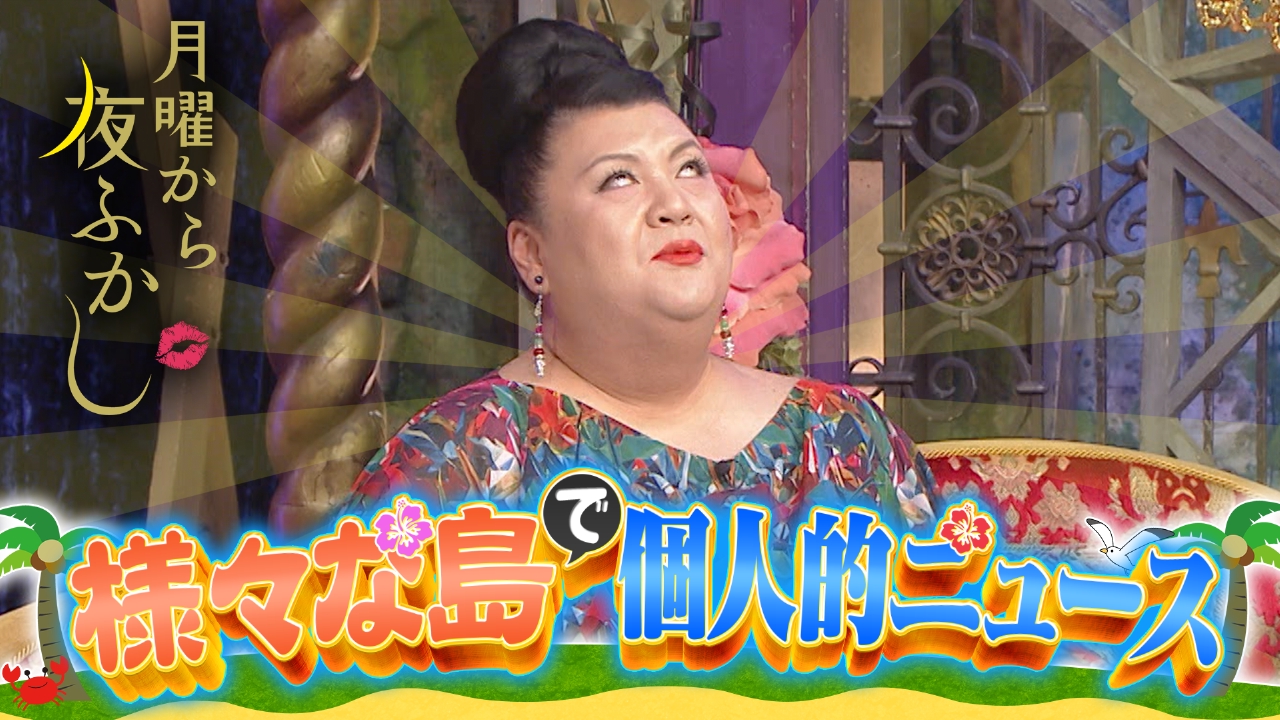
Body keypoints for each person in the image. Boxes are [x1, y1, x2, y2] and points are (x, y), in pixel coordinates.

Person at [337, 19, 938, 643]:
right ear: (532, 253)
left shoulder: (843, 436)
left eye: (690, 168)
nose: (674, 205)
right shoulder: (457, 464)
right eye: (618, 179)